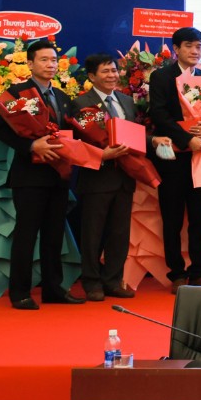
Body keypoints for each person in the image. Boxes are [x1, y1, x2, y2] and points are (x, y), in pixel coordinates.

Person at [0, 39, 81, 309]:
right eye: (44, 60)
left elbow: (72, 131)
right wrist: (32, 146)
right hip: (29, 177)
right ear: (30, 64)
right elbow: (2, 131)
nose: (50, 65)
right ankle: (20, 292)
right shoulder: (18, 94)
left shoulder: (63, 98)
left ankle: (53, 289)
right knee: (26, 235)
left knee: (54, 235)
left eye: (54, 60)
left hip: (58, 176)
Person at [148, 26, 201, 293]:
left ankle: (199, 272)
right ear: (176, 49)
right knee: (172, 218)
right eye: (189, 45)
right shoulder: (161, 76)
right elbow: (159, 115)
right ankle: (176, 273)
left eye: (199, 46)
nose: (195, 51)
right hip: (173, 158)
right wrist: (187, 139)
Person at [71, 53, 139, 301]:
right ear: (92, 76)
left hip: (125, 176)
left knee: (119, 234)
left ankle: (112, 281)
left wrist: (153, 141)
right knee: (92, 234)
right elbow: (75, 144)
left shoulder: (127, 101)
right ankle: (91, 282)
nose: (112, 75)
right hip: (96, 178)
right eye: (105, 71)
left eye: (114, 70)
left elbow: (135, 133)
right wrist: (102, 155)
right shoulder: (81, 103)